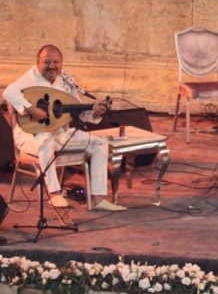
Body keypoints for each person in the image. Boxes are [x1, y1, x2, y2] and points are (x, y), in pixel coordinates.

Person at [2, 45, 127, 211]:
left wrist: (95, 113)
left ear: (61, 63)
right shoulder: (31, 77)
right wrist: (30, 109)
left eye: (56, 62)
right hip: (29, 136)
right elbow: (8, 93)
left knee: (100, 144)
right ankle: (54, 193)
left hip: (60, 134)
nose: (52, 66)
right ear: (38, 63)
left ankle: (97, 199)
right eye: (47, 62)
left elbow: (78, 111)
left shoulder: (66, 80)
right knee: (46, 141)